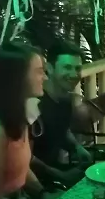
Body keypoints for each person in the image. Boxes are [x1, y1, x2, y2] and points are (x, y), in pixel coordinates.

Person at [0, 44, 53, 199]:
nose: (45, 77)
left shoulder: (19, 115)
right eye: (39, 71)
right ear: (18, 79)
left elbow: (22, 167)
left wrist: (42, 193)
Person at [30, 41, 91, 185]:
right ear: (49, 68)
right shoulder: (34, 104)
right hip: (36, 182)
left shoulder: (65, 99)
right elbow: (26, 157)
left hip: (56, 170)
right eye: (67, 67)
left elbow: (62, 129)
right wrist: (60, 175)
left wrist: (77, 147)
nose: (74, 74)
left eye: (77, 68)